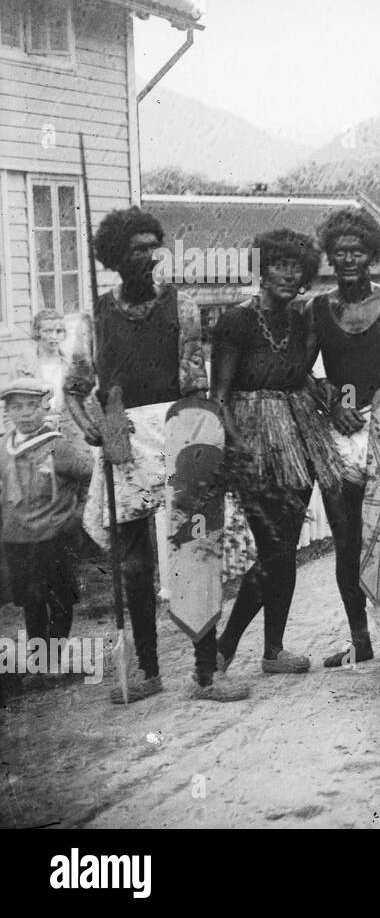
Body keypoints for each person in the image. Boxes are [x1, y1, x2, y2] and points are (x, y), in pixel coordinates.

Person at [65, 207, 248, 702]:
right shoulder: (92, 320)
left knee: (197, 551)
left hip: (180, 431)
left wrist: (205, 436)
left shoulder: (183, 306)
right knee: (134, 567)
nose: (146, 257)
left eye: (152, 247)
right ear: (114, 257)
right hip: (124, 441)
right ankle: (147, 671)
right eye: (134, 249)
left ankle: (206, 674)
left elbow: (195, 379)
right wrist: (94, 432)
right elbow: (75, 389)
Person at [210, 230, 345, 675]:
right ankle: (225, 647)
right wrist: (238, 449)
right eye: (280, 265)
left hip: (299, 436)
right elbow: (220, 395)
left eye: (298, 269)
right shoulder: (236, 321)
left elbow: (298, 373)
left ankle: (273, 650)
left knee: (283, 547)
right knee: (275, 550)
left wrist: (323, 392)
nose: (289, 275)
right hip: (255, 440)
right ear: (262, 269)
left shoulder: (302, 320)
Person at [305, 206, 380, 668]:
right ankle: (360, 641)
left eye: (357, 251)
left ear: (373, 255)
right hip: (339, 434)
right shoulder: (318, 309)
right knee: (348, 542)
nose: (349, 259)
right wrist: (331, 403)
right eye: (340, 252)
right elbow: (303, 371)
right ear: (330, 258)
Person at [0, 377, 93, 682]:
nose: (25, 414)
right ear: (8, 412)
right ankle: (40, 664)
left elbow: (88, 475)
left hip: (54, 537)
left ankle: (51, 662)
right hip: (17, 537)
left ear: (44, 407)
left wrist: (76, 514)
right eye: (16, 407)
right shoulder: (3, 447)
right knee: (32, 601)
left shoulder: (58, 446)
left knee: (60, 599)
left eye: (31, 406)